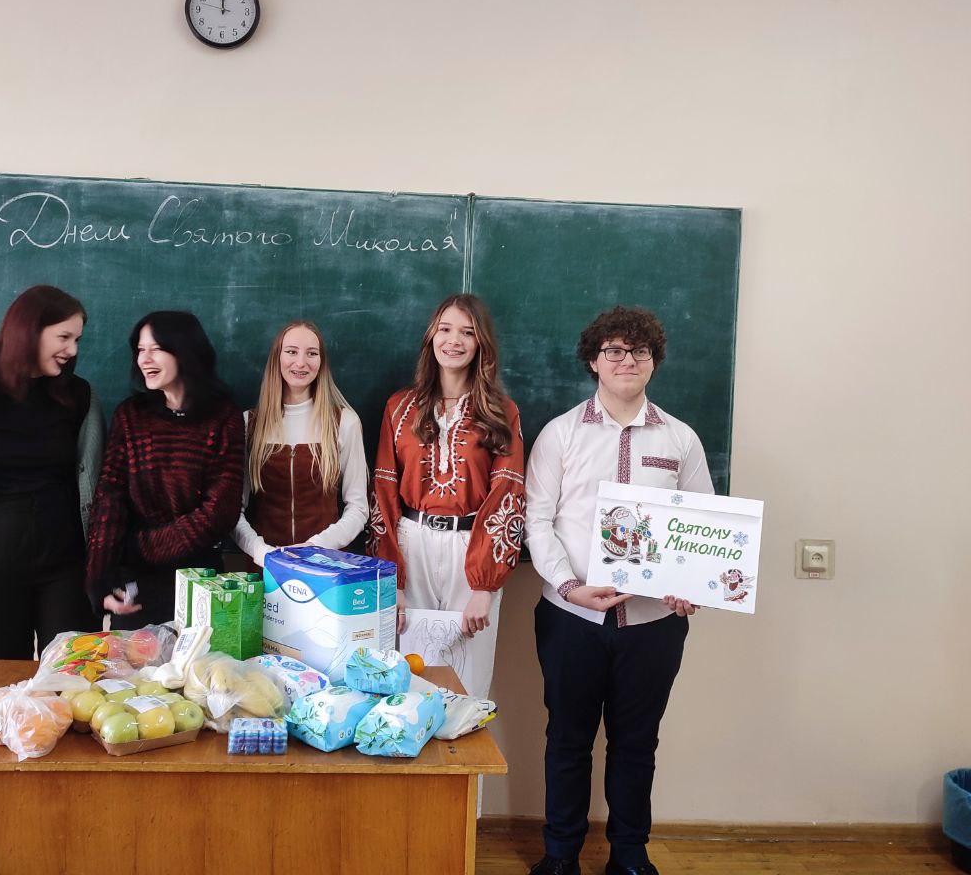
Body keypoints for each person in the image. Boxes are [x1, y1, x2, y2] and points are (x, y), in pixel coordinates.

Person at [524, 305, 714, 875]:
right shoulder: (560, 434)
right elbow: (537, 521)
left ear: (654, 361)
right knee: (568, 740)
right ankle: (561, 855)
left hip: (653, 625)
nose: (626, 360)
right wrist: (568, 585)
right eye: (614, 350)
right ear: (593, 360)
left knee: (636, 744)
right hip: (571, 618)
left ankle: (629, 855)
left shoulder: (681, 439)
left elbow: (701, 525)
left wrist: (691, 586)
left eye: (639, 351)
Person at [0, 285, 105, 660]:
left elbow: (94, 480)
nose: (72, 350)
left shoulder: (81, 397)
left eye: (76, 340)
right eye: (64, 337)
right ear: (29, 331)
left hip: (67, 566)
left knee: (73, 677)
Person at [367, 294, 525, 700]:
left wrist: (485, 586)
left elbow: (507, 495)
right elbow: (383, 492)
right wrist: (392, 581)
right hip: (411, 542)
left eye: (467, 333)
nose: (454, 341)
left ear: (480, 344)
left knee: (467, 682)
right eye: (445, 329)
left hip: (472, 547)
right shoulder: (399, 407)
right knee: (408, 678)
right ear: (431, 337)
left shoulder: (501, 411)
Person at [85, 311, 243, 628]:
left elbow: (220, 511)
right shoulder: (131, 415)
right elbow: (109, 500)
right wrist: (99, 581)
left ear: (184, 351)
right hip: (136, 585)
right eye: (140, 350)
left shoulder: (223, 417)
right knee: (132, 660)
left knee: (202, 660)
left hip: (200, 578)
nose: (144, 359)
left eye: (156, 348)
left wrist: (141, 547)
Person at [232, 320, 368, 566]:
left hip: (324, 567)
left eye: (312, 353)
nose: (301, 362)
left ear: (321, 362)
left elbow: (358, 508)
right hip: (263, 569)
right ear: (277, 358)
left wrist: (315, 547)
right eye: (291, 351)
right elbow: (232, 511)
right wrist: (262, 552)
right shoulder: (248, 425)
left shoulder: (345, 422)